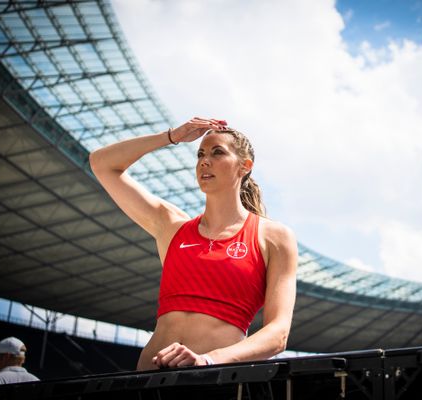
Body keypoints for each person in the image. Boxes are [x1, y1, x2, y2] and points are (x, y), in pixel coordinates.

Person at [89, 117, 298, 370]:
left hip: (214, 380)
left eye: (217, 152)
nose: (204, 161)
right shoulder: (171, 226)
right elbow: (101, 164)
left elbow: (278, 334)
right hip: (146, 381)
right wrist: (172, 137)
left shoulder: (273, 237)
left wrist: (208, 360)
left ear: (245, 166)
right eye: (200, 154)